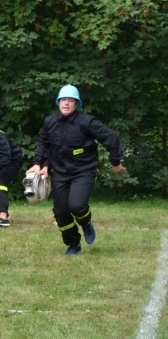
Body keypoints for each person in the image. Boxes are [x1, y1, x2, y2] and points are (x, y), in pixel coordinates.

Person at [26, 85, 126, 255]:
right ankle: (73, 244)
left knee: (77, 205)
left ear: (76, 104)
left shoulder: (87, 122)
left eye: (71, 100)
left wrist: (115, 162)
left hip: (83, 170)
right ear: (58, 102)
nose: (66, 103)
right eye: (63, 100)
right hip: (60, 173)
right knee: (60, 212)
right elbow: (44, 142)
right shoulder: (50, 122)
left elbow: (110, 138)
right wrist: (39, 163)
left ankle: (86, 223)